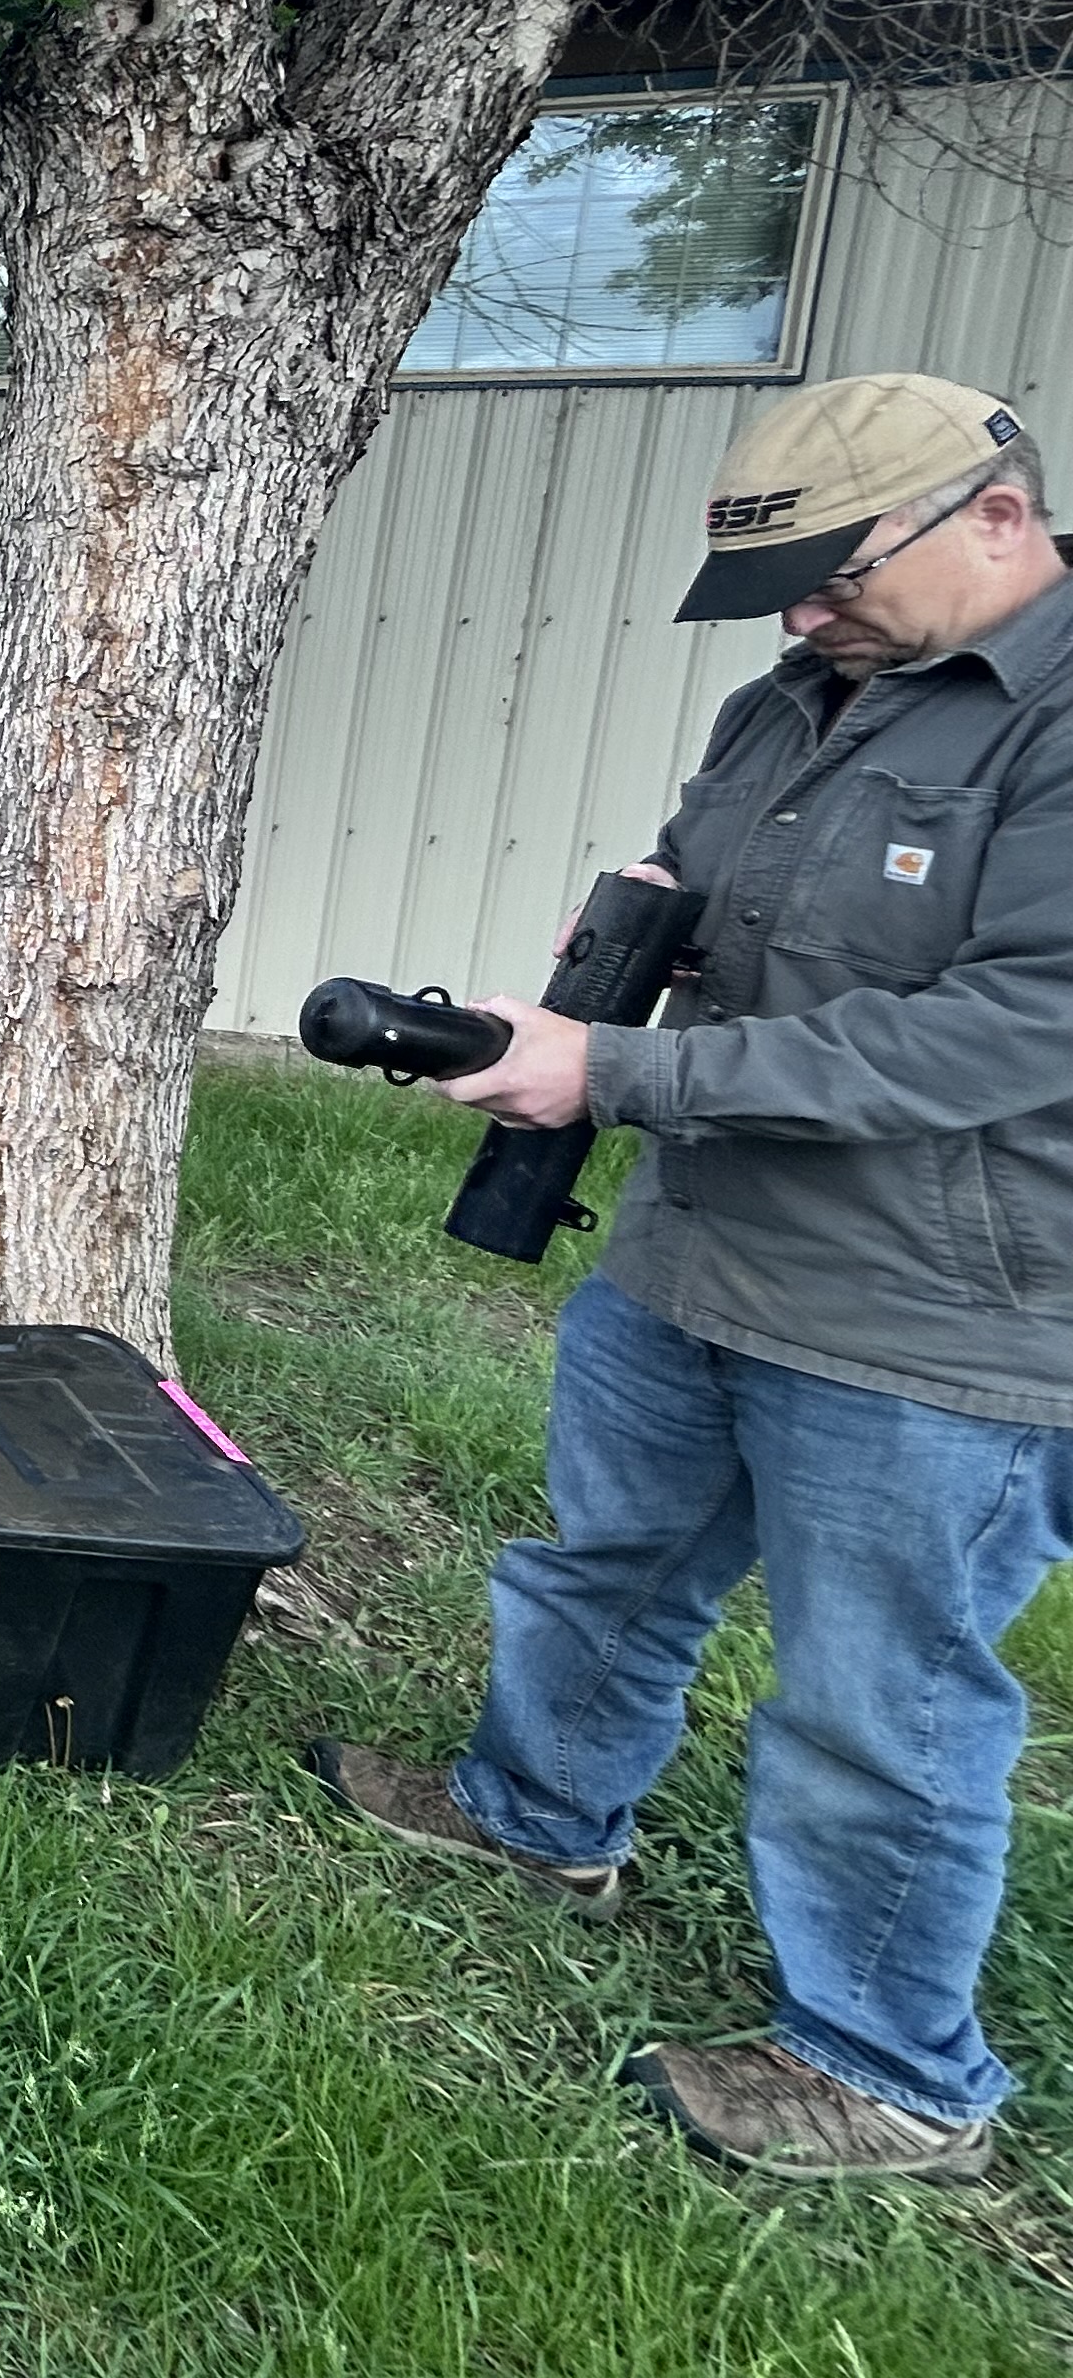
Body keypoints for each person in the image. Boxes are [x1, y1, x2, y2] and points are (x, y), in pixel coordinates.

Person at [310, 373, 1073, 2185]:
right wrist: (614, 953)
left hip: (935, 1316)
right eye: (778, 583)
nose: (799, 609)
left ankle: (888, 2066)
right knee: (604, 1559)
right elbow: (709, 902)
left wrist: (616, 1075)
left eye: (827, 569)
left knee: (873, 1694)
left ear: (990, 511)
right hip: (696, 1249)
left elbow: (1010, 1027)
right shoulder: (793, 695)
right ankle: (533, 1814)